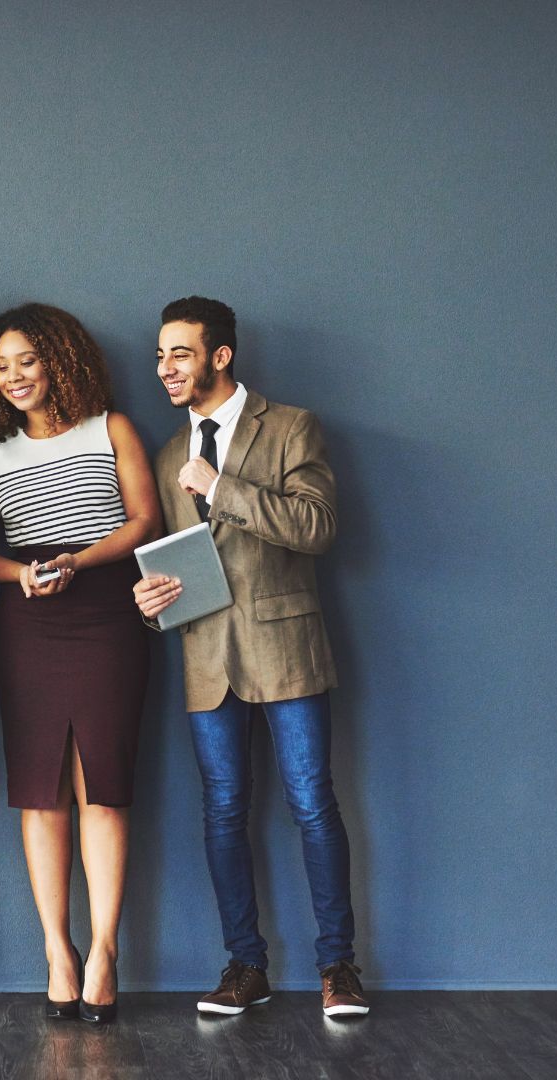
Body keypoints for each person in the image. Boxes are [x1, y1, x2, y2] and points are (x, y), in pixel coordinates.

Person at [133, 296, 370, 1018]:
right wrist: (154, 603)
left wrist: (223, 488)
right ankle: (245, 966)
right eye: (160, 355)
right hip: (208, 655)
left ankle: (339, 968)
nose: (165, 367)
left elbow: (319, 527)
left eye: (179, 353)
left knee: (311, 803)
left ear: (219, 356)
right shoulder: (169, 452)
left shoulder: (291, 427)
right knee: (223, 812)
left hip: (287, 647)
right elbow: (182, 564)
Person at [0, 303, 161, 1023]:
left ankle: (106, 951)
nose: (14, 376)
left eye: (28, 361)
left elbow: (145, 521)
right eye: (2, 365)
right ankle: (58, 951)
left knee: (101, 785)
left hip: (109, 612)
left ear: (61, 362)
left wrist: (78, 559)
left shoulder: (112, 428)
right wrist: (20, 576)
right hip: (29, 619)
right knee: (39, 789)